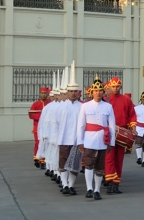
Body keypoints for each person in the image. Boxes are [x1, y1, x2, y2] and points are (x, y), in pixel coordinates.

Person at [76, 76, 115, 201]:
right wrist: (80, 141)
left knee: (99, 167)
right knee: (88, 165)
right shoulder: (85, 106)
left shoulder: (108, 107)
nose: (98, 93)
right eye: (95, 90)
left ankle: (97, 190)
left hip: (103, 141)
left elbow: (112, 126)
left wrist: (111, 142)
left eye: (100, 90)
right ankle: (89, 189)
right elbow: (81, 125)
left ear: (103, 92)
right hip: (89, 140)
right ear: (91, 92)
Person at [103, 77, 136, 194]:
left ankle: (116, 184)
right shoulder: (105, 101)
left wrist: (133, 128)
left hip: (122, 133)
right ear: (110, 87)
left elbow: (132, 115)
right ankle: (110, 183)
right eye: (113, 86)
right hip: (109, 133)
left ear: (120, 87)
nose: (115, 88)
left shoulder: (126, 100)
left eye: (117, 86)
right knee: (109, 158)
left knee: (119, 159)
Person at [57, 65, 83, 195]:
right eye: (71, 91)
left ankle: (71, 185)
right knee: (63, 161)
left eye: (75, 91)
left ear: (78, 92)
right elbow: (56, 124)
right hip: (63, 138)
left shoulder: (82, 107)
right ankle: (64, 184)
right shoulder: (61, 107)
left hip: (77, 140)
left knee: (75, 163)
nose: (73, 93)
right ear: (67, 93)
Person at [29, 86, 51, 168]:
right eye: (42, 93)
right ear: (40, 94)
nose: (43, 95)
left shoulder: (49, 104)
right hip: (37, 128)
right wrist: (41, 117)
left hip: (47, 128)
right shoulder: (35, 104)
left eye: (45, 93)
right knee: (38, 143)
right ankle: (36, 158)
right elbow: (31, 115)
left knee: (45, 143)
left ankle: (43, 160)